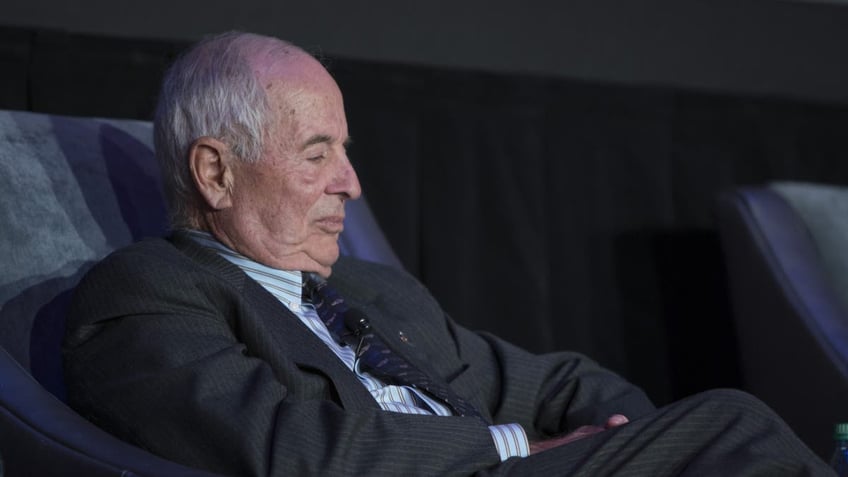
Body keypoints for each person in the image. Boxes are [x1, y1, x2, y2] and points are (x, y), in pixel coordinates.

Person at [62, 31, 832, 476]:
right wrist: (517, 444)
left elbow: (552, 380)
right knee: (733, 421)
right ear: (215, 172)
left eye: (347, 152)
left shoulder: (374, 292)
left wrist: (621, 433)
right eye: (316, 154)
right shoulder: (147, 292)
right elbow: (288, 446)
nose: (351, 183)